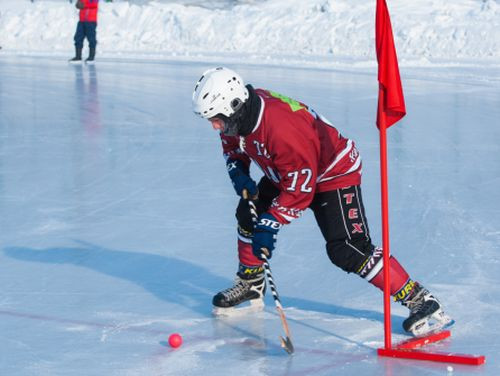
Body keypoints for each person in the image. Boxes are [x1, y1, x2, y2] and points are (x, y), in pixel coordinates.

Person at [191, 67, 453, 337]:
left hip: (332, 172)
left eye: (217, 118)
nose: (215, 125)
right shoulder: (238, 116)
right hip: (288, 169)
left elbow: (301, 190)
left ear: (234, 105)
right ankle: (251, 282)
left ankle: (422, 301)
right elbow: (234, 148)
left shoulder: (281, 129)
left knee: (347, 248)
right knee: (248, 213)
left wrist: (271, 223)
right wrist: (239, 174)